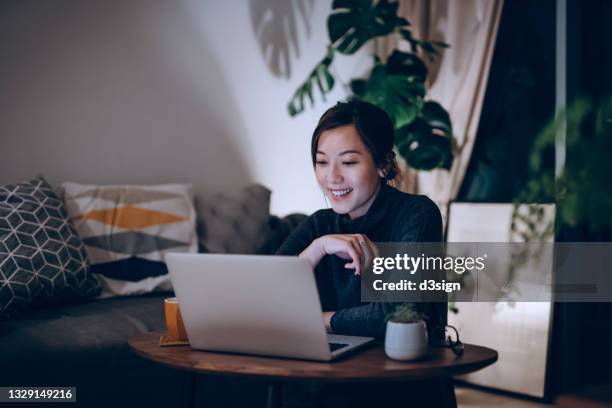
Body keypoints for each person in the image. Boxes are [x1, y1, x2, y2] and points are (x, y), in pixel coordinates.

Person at [277, 100, 452, 408]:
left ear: (383, 165)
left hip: (401, 389)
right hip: (327, 383)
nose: (332, 177)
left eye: (348, 162)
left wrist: (320, 320)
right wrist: (318, 248)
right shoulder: (319, 224)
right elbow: (262, 297)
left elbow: (399, 313)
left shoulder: (417, 215)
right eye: (321, 162)